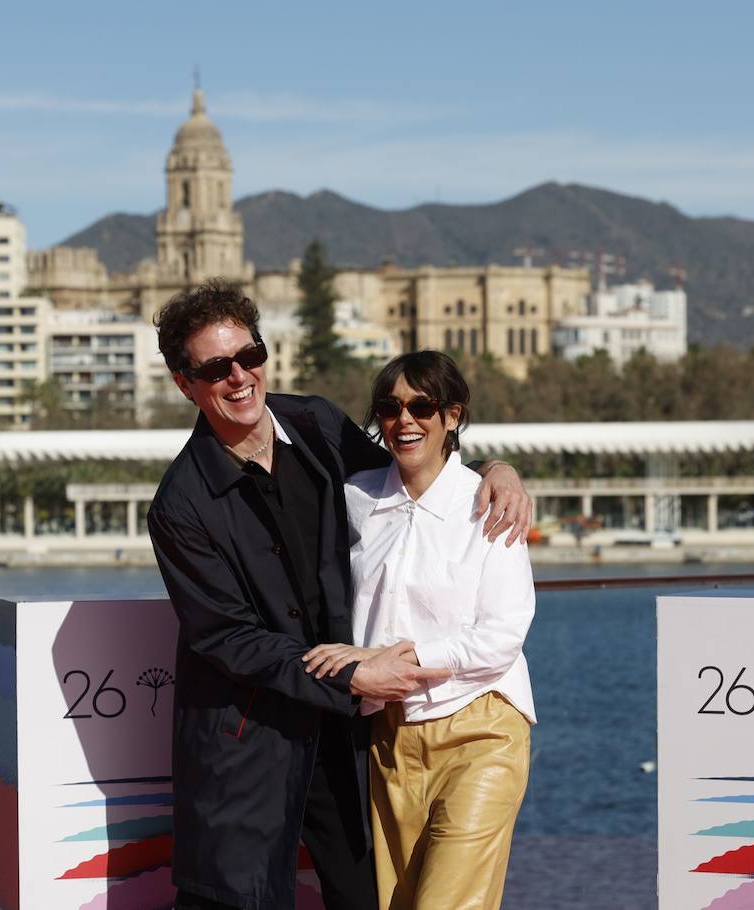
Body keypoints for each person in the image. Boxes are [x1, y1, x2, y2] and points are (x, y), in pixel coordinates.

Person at [146, 280, 533, 910]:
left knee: (368, 897)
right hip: (254, 740)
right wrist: (353, 675)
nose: (240, 376)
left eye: (251, 355)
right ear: (184, 382)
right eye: (217, 367)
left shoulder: (316, 423)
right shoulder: (180, 504)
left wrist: (496, 469)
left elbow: (416, 466)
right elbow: (227, 637)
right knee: (240, 897)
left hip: (352, 736)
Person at [303, 351, 536, 910]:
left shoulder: (488, 504)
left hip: (481, 731)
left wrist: (390, 661)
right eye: (390, 407)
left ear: (452, 416)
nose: (405, 419)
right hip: (389, 740)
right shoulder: (355, 500)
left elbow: (501, 635)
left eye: (422, 406)